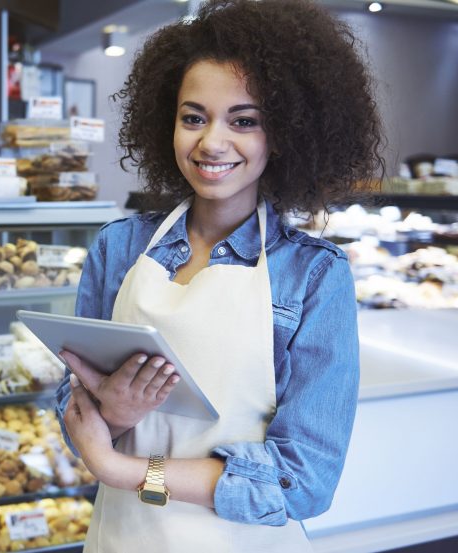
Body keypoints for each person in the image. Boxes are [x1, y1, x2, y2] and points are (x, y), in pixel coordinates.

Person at [54, 0, 385, 551]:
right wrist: (115, 412)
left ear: (283, 133)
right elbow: (76, 418)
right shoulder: (119, 247)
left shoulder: (312, 275)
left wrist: (123, 469)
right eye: (193, 117)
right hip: (123, 538)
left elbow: (303, 481)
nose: (211, 142)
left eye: (243, 121)